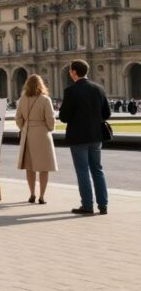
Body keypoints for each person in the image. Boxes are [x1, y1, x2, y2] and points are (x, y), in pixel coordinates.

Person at [58, 59, 111, 215]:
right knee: (97, 169)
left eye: (70, 70)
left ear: (74, 72)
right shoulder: (99, 88)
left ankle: (87, 205)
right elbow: (107, 113)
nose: (70, 72)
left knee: (82, 170)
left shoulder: (71, 91)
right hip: (96, 135)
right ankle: (103, 205)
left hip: (78, 137)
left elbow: (64, 117)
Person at [15, 74, 58, 204]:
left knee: (30, 167)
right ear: (41, 85)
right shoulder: (45, 99)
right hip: (42, 134)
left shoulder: (22, 99)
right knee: (44, 167)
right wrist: (50, 129)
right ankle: (42, 196)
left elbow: (18, 118)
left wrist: (24, 128)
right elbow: (50, 119)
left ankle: (32, 194)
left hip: (28, 134)